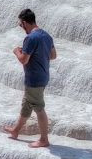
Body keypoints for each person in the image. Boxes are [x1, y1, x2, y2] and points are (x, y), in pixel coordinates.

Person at [5, 8, 57, 148]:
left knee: (39, 108)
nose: (21, 28)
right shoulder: (47, 36)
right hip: (43, 76)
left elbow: (24, 60)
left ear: (24, 22)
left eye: (21, 25)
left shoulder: (30, 38)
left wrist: (17, 51)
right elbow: (53, 56)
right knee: (26, 105)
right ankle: (16, 131)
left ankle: (44, 139)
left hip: (34, 79)